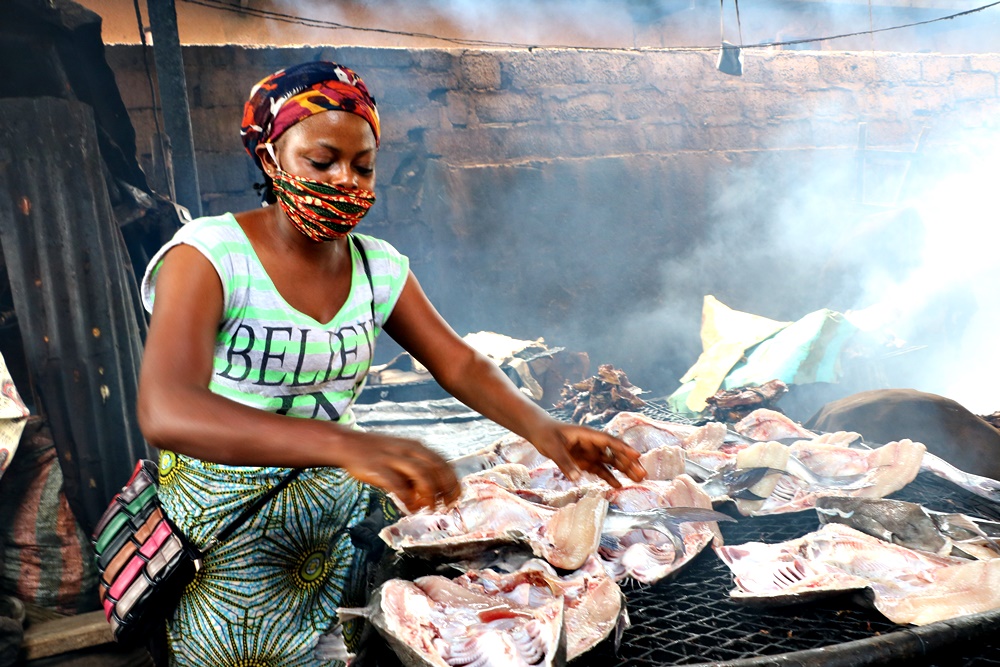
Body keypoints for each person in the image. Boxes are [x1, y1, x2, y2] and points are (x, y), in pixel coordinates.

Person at [136, 60, 646, 666]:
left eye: (363, 166)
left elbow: (457, 362)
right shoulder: (210, 256)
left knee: (353, 650)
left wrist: (546, 429)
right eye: (321, 162)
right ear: (271, 159)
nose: (346, 180)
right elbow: (168, 408)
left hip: (335, 528)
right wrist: (346, 445)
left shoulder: (376, 265)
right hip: (229, 540)